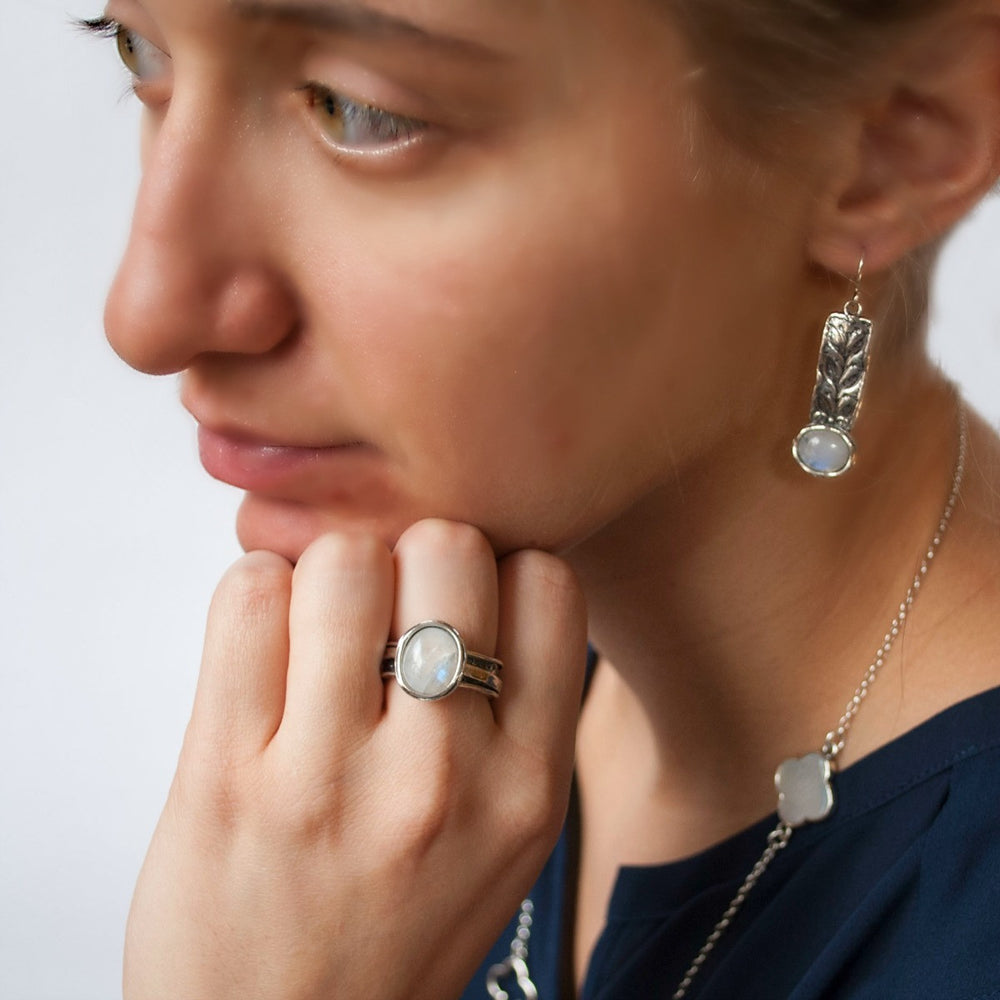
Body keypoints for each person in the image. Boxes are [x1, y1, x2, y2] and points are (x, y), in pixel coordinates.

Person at [84, 0, 1000, 996]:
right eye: (142, 50)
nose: (145, 312)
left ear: (886, 140)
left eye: (360, 109)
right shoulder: (391, 761)